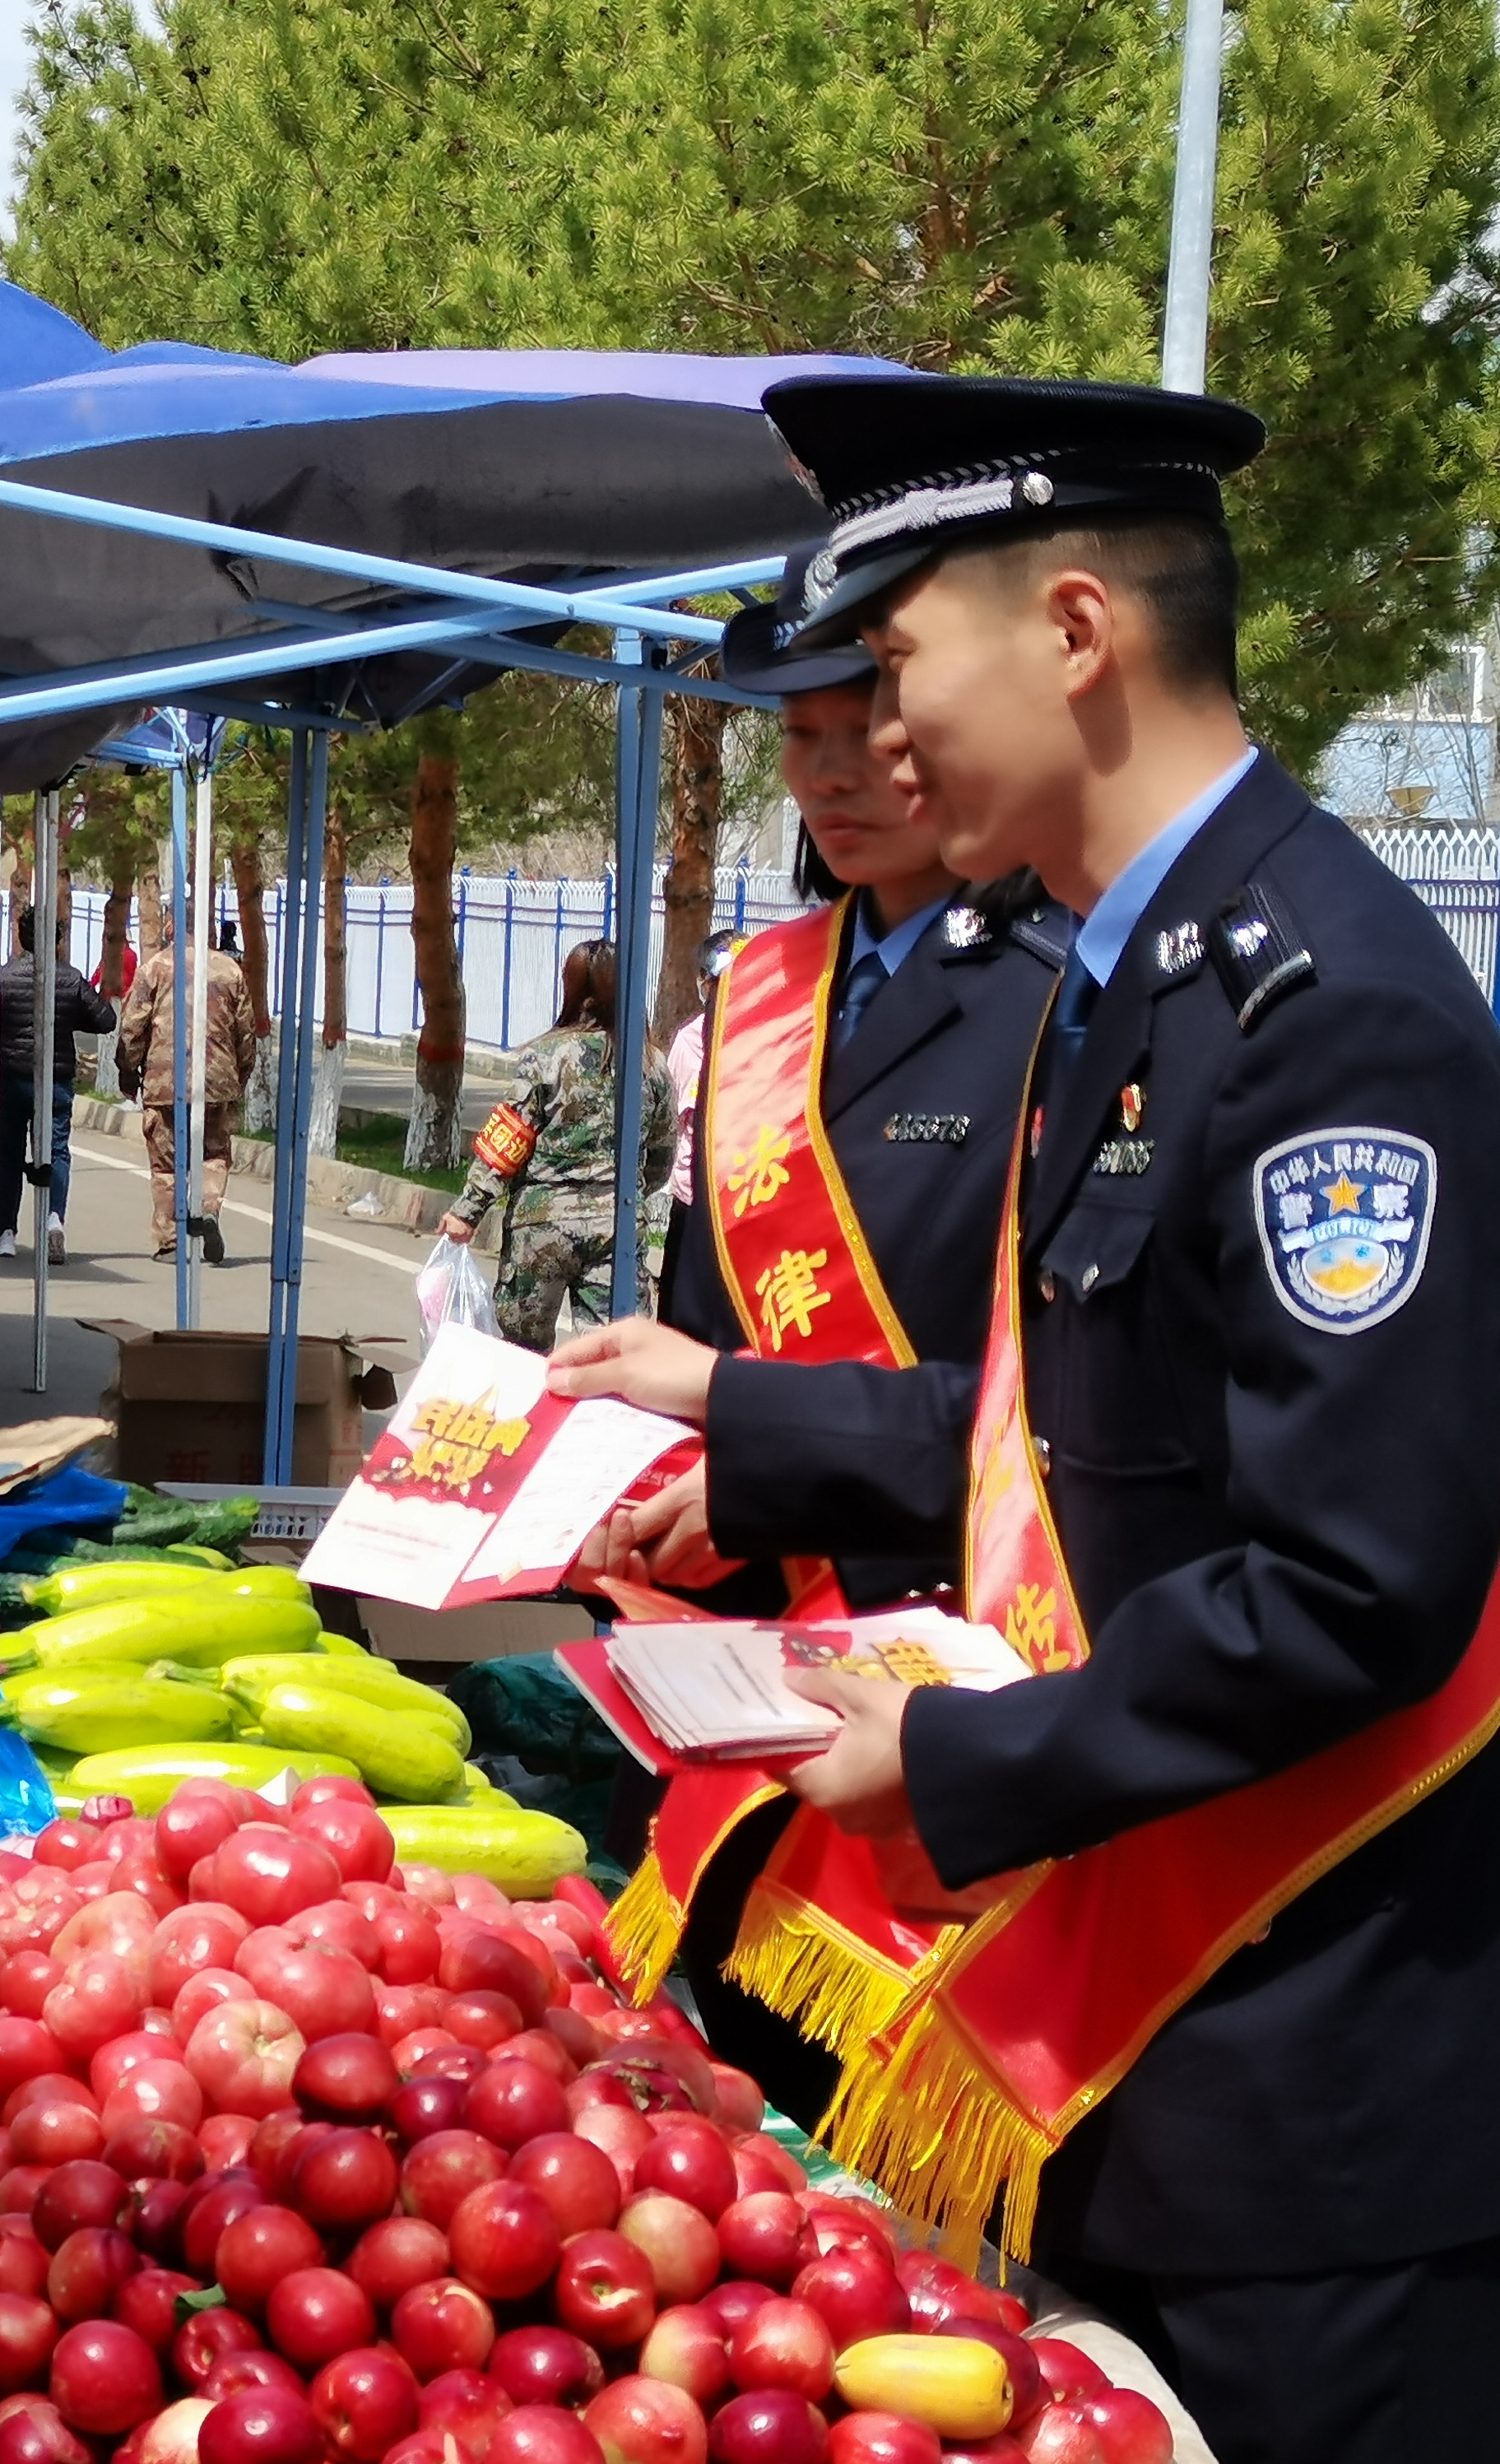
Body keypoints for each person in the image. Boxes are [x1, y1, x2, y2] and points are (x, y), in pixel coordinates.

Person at [552, 375, 1500, 2464]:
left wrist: (965, 1754)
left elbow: (1355, 1576)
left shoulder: (1321, 1011)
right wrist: (749, 1422)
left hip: (1341, 2107)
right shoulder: (1140, 979)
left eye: (895, 656)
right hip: (1193, 2070)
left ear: (1071, 631)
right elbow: (1092, 1443)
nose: (871, 733)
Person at [606, 585, 1070, 2135]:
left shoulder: (1062, 997)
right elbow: (699, 1325)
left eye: (869, 728)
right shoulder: (754, 996)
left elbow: (1041, 1407)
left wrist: (737, 1423)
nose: (833, 775)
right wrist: (680, 1486)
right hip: (753, 1664)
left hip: (954, 1651)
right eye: (798, 739)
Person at [430, 939, 673, 1347]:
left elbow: (508, 1140)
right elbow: (661, 1155)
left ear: (577, 992)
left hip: (540, 1229)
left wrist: (467, 1212)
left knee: (521, 1354)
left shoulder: (545, 1056)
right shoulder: (651, 1063)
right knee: (613, 1356)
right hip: (617, 1225)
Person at [0, 900, 115, 1260]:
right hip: (56, 1080)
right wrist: (72, 1018)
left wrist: (0, 1023)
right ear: (58, 939)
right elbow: (105, 1019)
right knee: (57, 1150)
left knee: (8, 1154)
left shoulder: (4, 977)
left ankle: (6, 1233)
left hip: (13, 1079)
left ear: (21, 936)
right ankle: (54, 1221)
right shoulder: (70, 978)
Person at [119, 906, 258, 1264]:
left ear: (171, 924)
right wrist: (240, 1075)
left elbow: (133, 1026)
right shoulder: (230, 970)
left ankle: (170, 1242)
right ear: (210, 928)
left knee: (166, 1164)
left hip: (165, 1083)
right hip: (217, 1081)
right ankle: (208, 1210)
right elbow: (246, 1031)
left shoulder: (155, 969)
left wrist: (126, 1070)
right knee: (213, 1154)